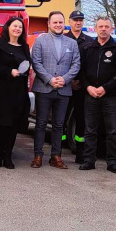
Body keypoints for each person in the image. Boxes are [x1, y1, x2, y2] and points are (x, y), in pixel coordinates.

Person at [30, 11, 81, 169]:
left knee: (59, 125)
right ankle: (38, 155)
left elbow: (76, 64)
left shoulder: (71, 43)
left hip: (63, 90)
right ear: (49, 24)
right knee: (40, 124)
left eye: (60, 22)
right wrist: (50, 79)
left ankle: (56, 156)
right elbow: (36, 62)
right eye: (55, 22)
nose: (58, 25)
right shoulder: (41, 40)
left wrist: (65, 79)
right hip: (44, 88)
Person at [77, 16, 116, 172]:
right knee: (90, 129)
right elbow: (81, 71)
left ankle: (112, 162)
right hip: (90, 94)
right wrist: (88, 87)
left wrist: (105, 88)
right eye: (101, 26)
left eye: (107, 26)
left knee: (112, 130)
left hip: (110, 96)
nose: (104, 29)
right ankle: (89, 160)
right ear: (95, 28)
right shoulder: (87, 48)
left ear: (111, 29)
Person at [0, 16, 31, 169]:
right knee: (1, 125)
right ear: (8, 27)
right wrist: (9, 71)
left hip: (18, 92)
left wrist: (24, 72)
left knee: (13, 125)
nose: (17, 29)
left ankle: (8, 156)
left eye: (20, 27)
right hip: (1, 92)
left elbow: (27, 65)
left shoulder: (24, 47)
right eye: (15, 26)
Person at [65, 10, 95, 162]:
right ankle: (59, 151)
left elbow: (90, 66)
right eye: (75, 20)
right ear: (69, 22)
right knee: (61, 119)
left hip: (82, 87)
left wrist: (81, 82)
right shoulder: (63, 38)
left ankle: (79, 153)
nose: (78, 22)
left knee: (80, 119)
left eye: (80, 20)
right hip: (64, 85)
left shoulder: (90, 41)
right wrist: (68, 80)